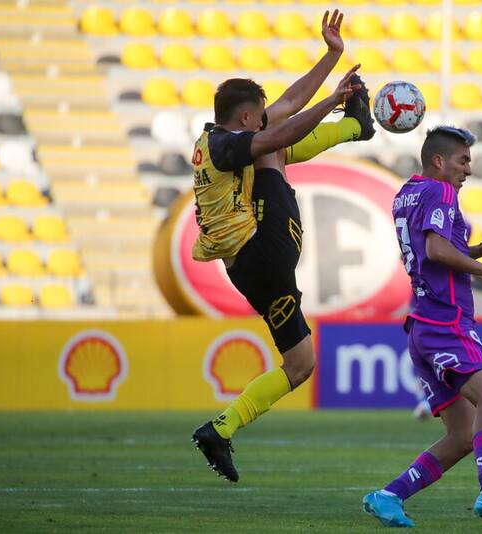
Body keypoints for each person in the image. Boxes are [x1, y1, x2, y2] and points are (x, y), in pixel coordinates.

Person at [190, 10, 375, 483]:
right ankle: (357, 127)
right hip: (264, 250)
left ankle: (221, 428)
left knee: (301, 363)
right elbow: (284, 130)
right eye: (259, 115)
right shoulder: (228, 146)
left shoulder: (223, 139)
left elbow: (290, 103)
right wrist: (336, 100)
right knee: (274, 147)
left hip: (252, 268)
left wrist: (331, 56)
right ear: (246, 115)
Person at [363, 126, 482, 527]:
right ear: (438, 161)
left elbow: (431, 251)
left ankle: (389, 495)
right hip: (446, 320)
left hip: (422, 323)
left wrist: (476, 250)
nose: (469, 170)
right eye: (463, 160)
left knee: (461, 435)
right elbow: (437, 250)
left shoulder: (407, 192)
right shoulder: (441, 192)